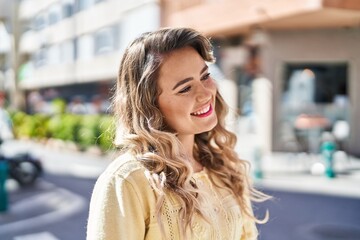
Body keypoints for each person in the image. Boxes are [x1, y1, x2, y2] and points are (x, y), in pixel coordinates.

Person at [87, 27, 270, 240]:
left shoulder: (225, 167)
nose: (205, 93)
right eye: (185, 88)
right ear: (149, 105)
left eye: (205, 76)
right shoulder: (127, 181)